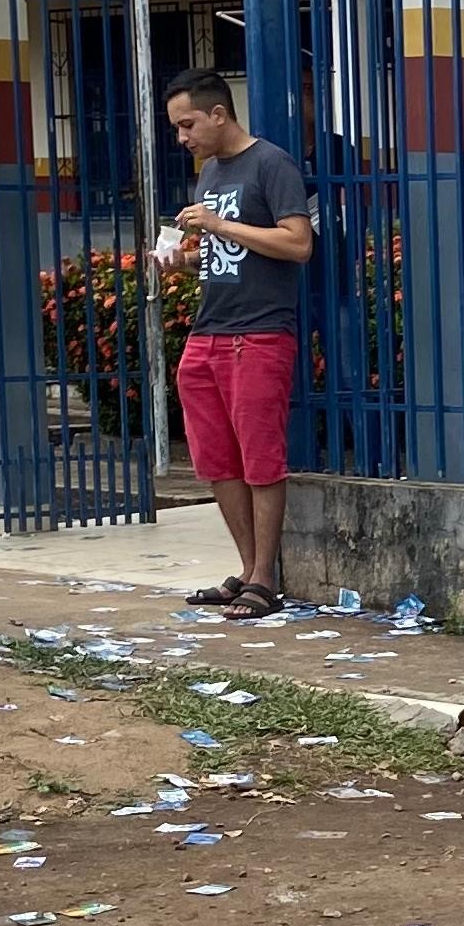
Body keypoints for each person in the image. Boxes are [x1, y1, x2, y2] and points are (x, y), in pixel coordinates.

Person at [155, 68, 313, 623]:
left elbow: (297, 243)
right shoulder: (210, 174)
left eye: (187, 124)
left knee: (260, 458)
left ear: (219, 113)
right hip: (209, 329)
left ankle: (265, 577)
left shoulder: (271, 163)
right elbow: (232, 252)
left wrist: (220, 225)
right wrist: (187, 257)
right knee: (217, 457)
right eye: (177, 128)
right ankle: (247, 571)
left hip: (260, 331)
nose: (182, 137)